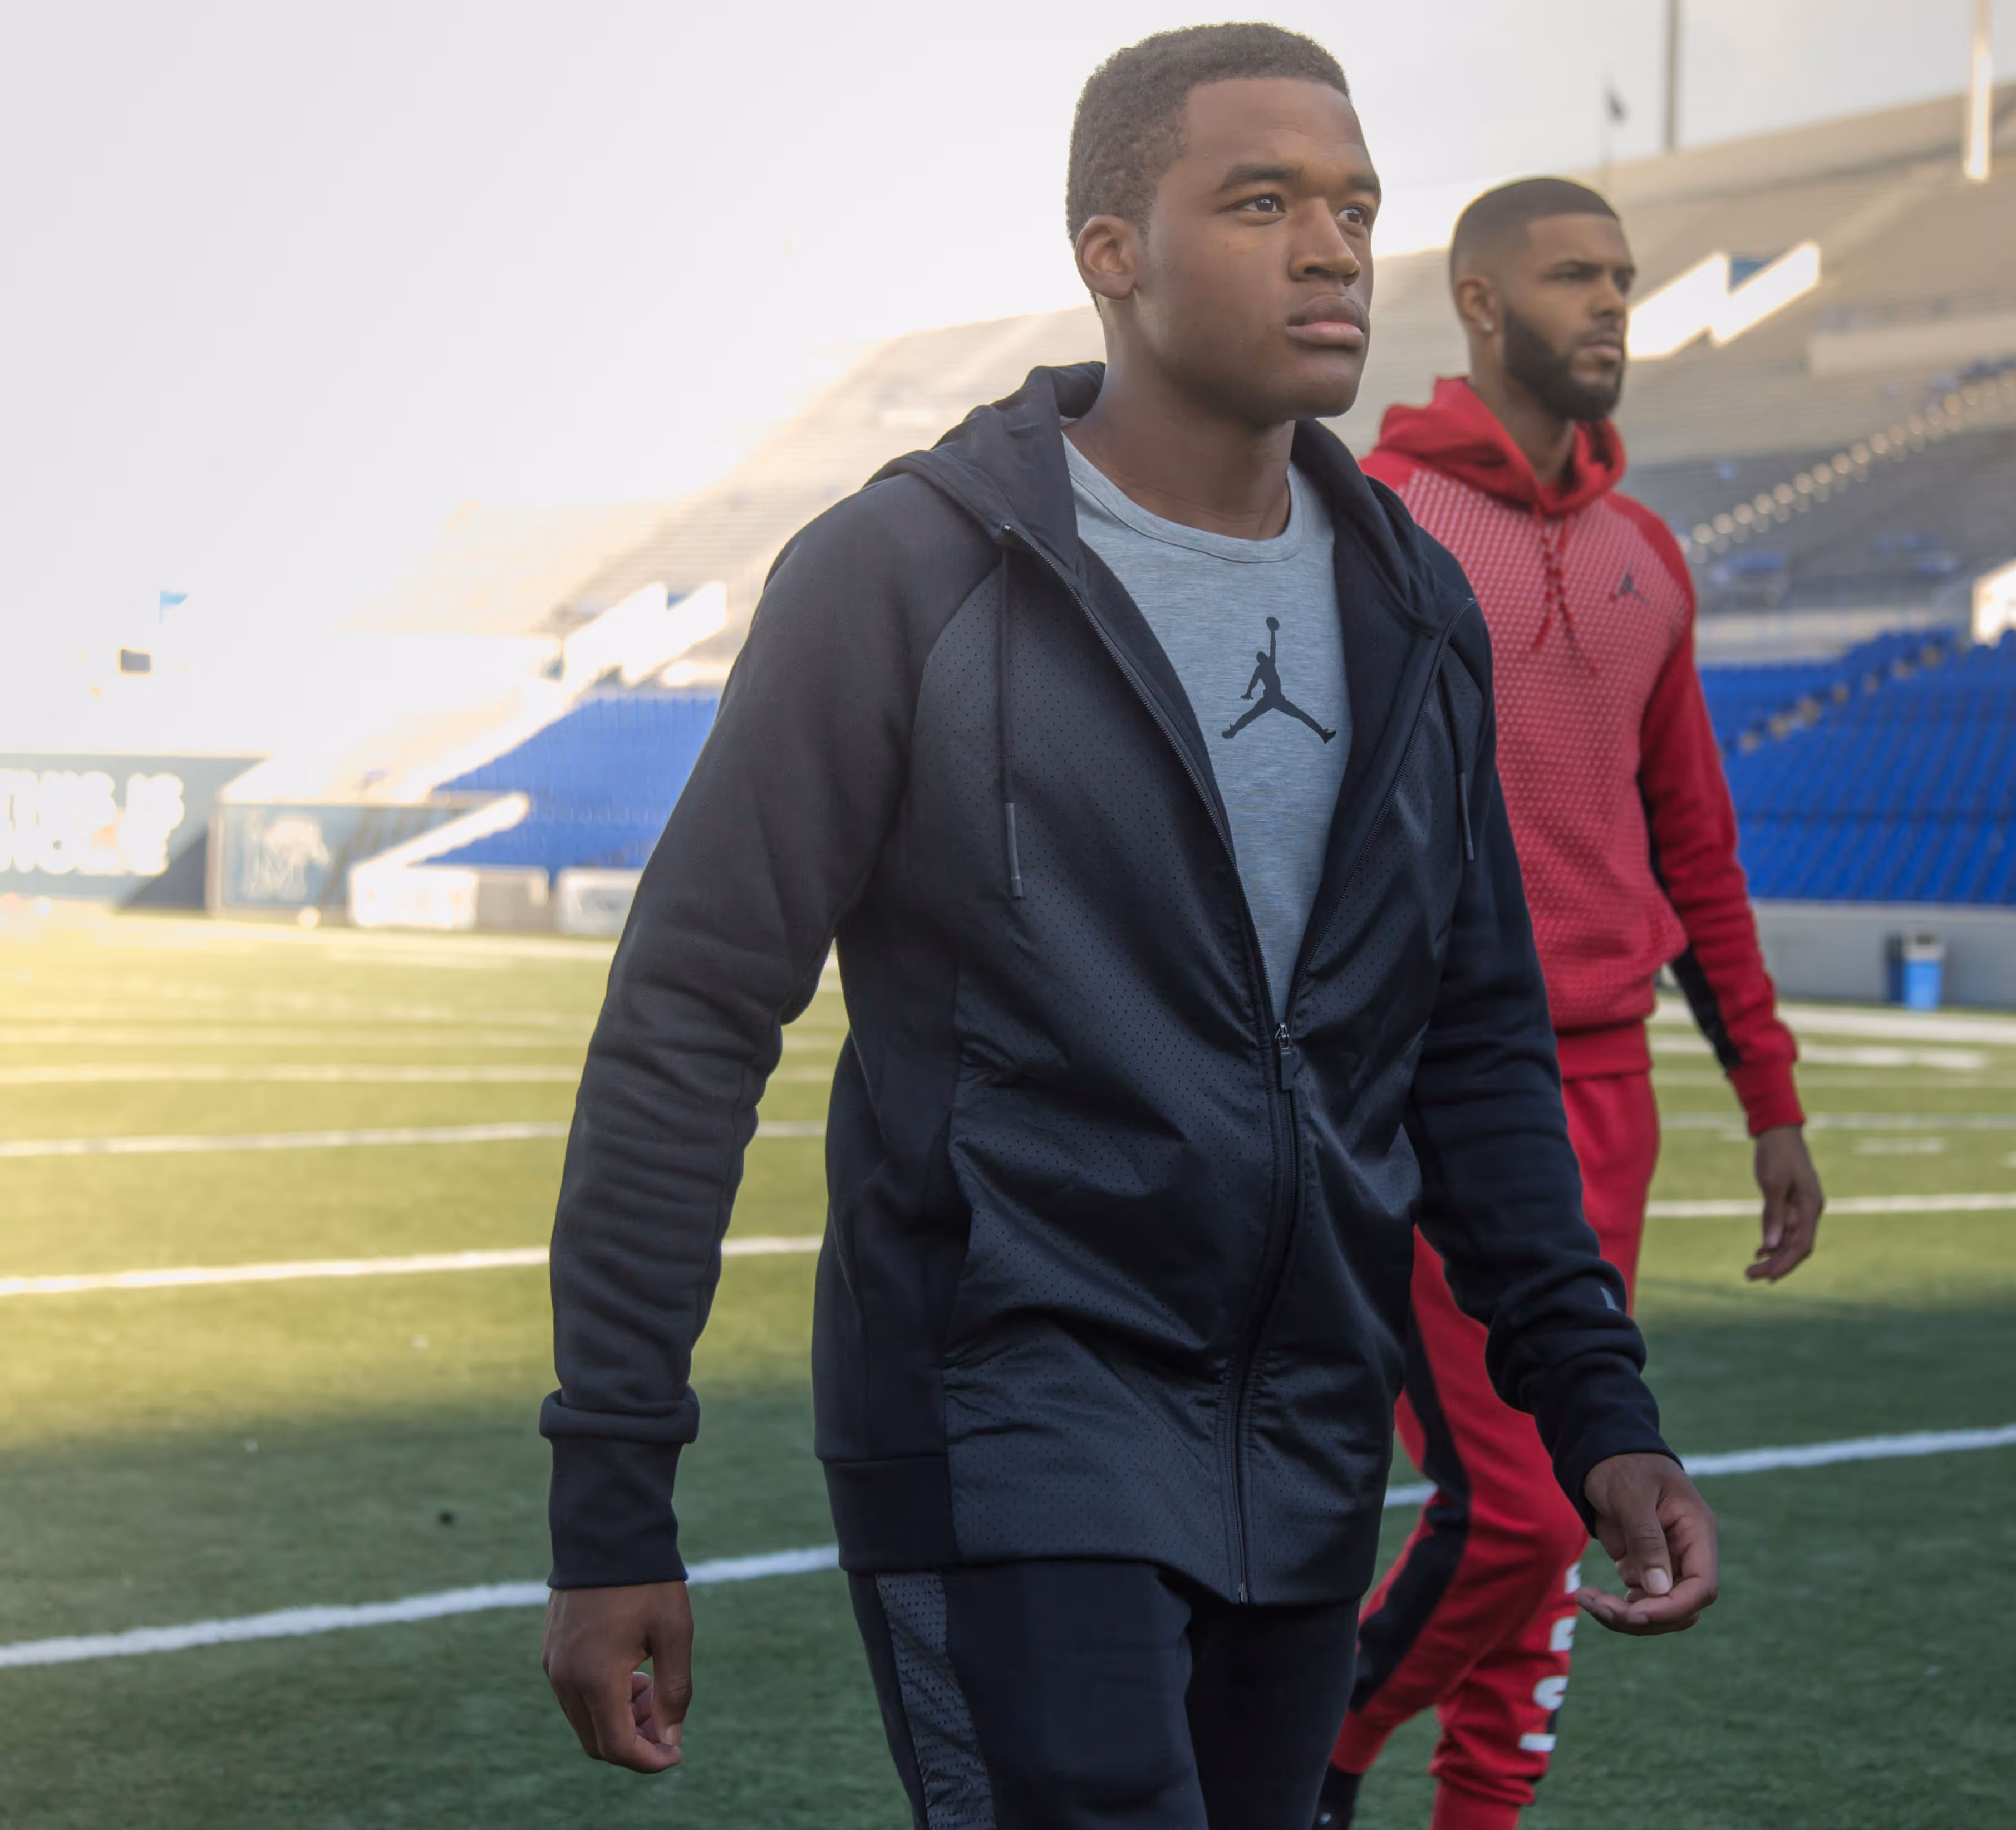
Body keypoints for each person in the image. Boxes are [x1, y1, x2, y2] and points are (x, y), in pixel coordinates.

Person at [535, 31, 1718, 1830]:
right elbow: (690, 1027)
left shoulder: (1414, 603)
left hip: (1309, 1429)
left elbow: (1467, 1043)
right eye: (1262, 202)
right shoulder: (908, 575)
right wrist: (613, 1491)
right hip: (1001, 1414)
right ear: (1111, 250)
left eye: (1356, 208)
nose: (1334, 250)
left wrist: (1596, 1406)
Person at [1319, 178, 1824, 1830]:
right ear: (1476, 302)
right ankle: (1298, 1770)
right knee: (1522, 1507)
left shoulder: (1649, 557)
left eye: (1622, 277)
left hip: (1611, 1100)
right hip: (1433, 1094)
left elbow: (1695, 843)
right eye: (1571, 276)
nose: (1609, 304)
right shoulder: (1374, 518)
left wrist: (1771, 1095)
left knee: (1581, 1489)